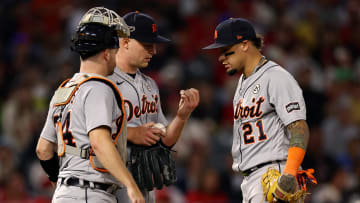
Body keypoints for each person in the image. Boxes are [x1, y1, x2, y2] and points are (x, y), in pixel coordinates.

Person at [35, 7, 144, 203]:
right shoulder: (98, 87)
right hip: (90, 193)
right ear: (106, 54)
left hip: (63, 194)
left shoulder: (63, 89)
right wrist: (131, 185)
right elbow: (99, 141)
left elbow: (43, 149)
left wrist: (59, 183)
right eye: (115, 50)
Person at [202, 18, 310, 202]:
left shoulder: (275, 77)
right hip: (252, 179)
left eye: (226, 51)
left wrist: (290, 174)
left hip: (275, 174)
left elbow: (299, 127)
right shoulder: (242, 83)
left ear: (245, 44)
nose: (220, 57)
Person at [108, 11, 200, 203]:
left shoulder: (150, 84)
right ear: (125, 42)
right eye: (147, 45)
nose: (154, 51)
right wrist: (131, 134)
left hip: (143, 182)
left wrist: (182, 117)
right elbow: (88, 135)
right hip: (110, 182)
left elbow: (165, 141)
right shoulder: (103, 81)